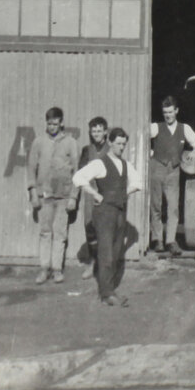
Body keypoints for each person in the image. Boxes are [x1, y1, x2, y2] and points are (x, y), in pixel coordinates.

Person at [73, 127, 143, 306]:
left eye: (124, 144)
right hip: (104, 213)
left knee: (116, 251)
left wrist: (125, 192)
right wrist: (95, 194)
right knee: (106, 253)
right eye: (118, 143)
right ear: (110, 142)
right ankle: (106, 293)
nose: (121, 147)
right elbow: (78, 178)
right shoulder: (100, 163)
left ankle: (110, 289)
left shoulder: (126, 165)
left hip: (120, 211)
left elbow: (138, 183)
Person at [27, 107, 79, 284]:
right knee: (45, 232)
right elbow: (31, 168)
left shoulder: (71, 142)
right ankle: (44, 268)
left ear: (61, 123)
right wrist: (33, 192)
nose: (52, 127)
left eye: (55, 123)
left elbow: (77, 171)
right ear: (46, 123)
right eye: (49, 124)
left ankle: (57, 269)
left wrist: (73, 196)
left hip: (63, 196)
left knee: (60, 233)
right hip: (45, 195)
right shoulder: (38, 142)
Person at [149, 95, 195, 256]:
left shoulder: (184, 128)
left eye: (171, 112)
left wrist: (194, 151)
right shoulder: (156, 127)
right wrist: (149, 153)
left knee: (173, 207)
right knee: (156, 206)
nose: (168, 115)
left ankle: (170, 241)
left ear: (176, 111)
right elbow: (141, 137)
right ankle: (157, 239)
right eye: (165, 112)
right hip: (157, 168)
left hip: (174, 170)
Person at [77, 117, 110, 280]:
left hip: (106, 195)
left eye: (99, 130)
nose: (96, 134)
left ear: (105, 131)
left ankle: (105, 267)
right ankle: (92, 263)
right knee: (90, 228)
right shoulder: (86, 150)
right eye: (93, 131)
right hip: (91, 195)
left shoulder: (112, 151)